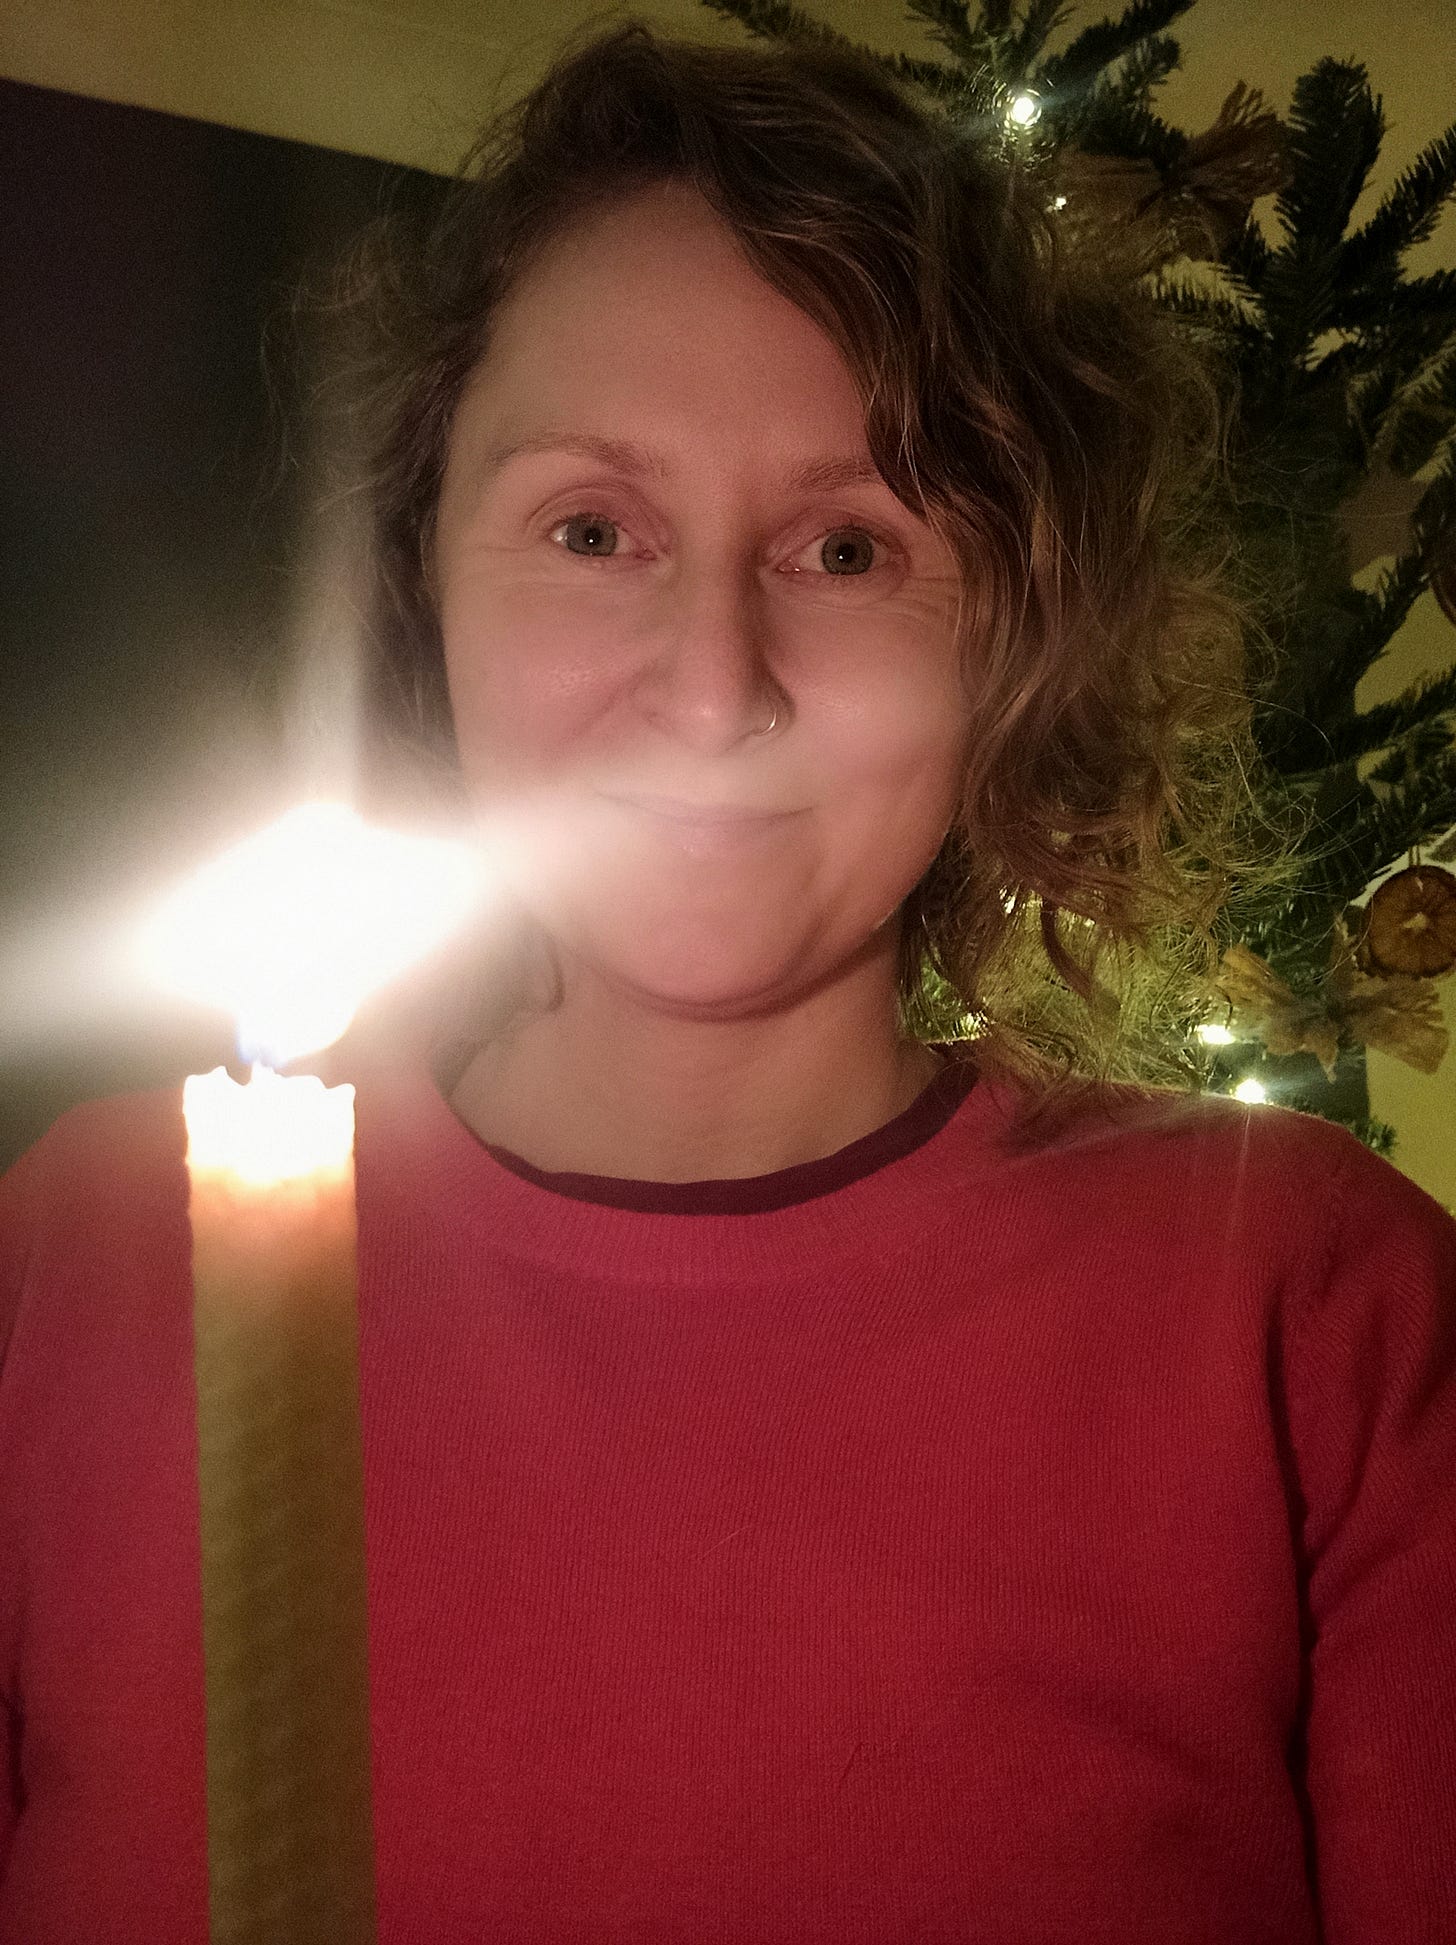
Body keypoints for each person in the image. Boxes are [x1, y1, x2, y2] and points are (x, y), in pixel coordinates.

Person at [2, 19, 1453, 1943]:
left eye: (850, 547)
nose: (712, 688)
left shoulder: (1316, 1303)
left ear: (1014, 633)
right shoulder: (73, 1258)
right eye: (592, 529)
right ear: (428, 580)